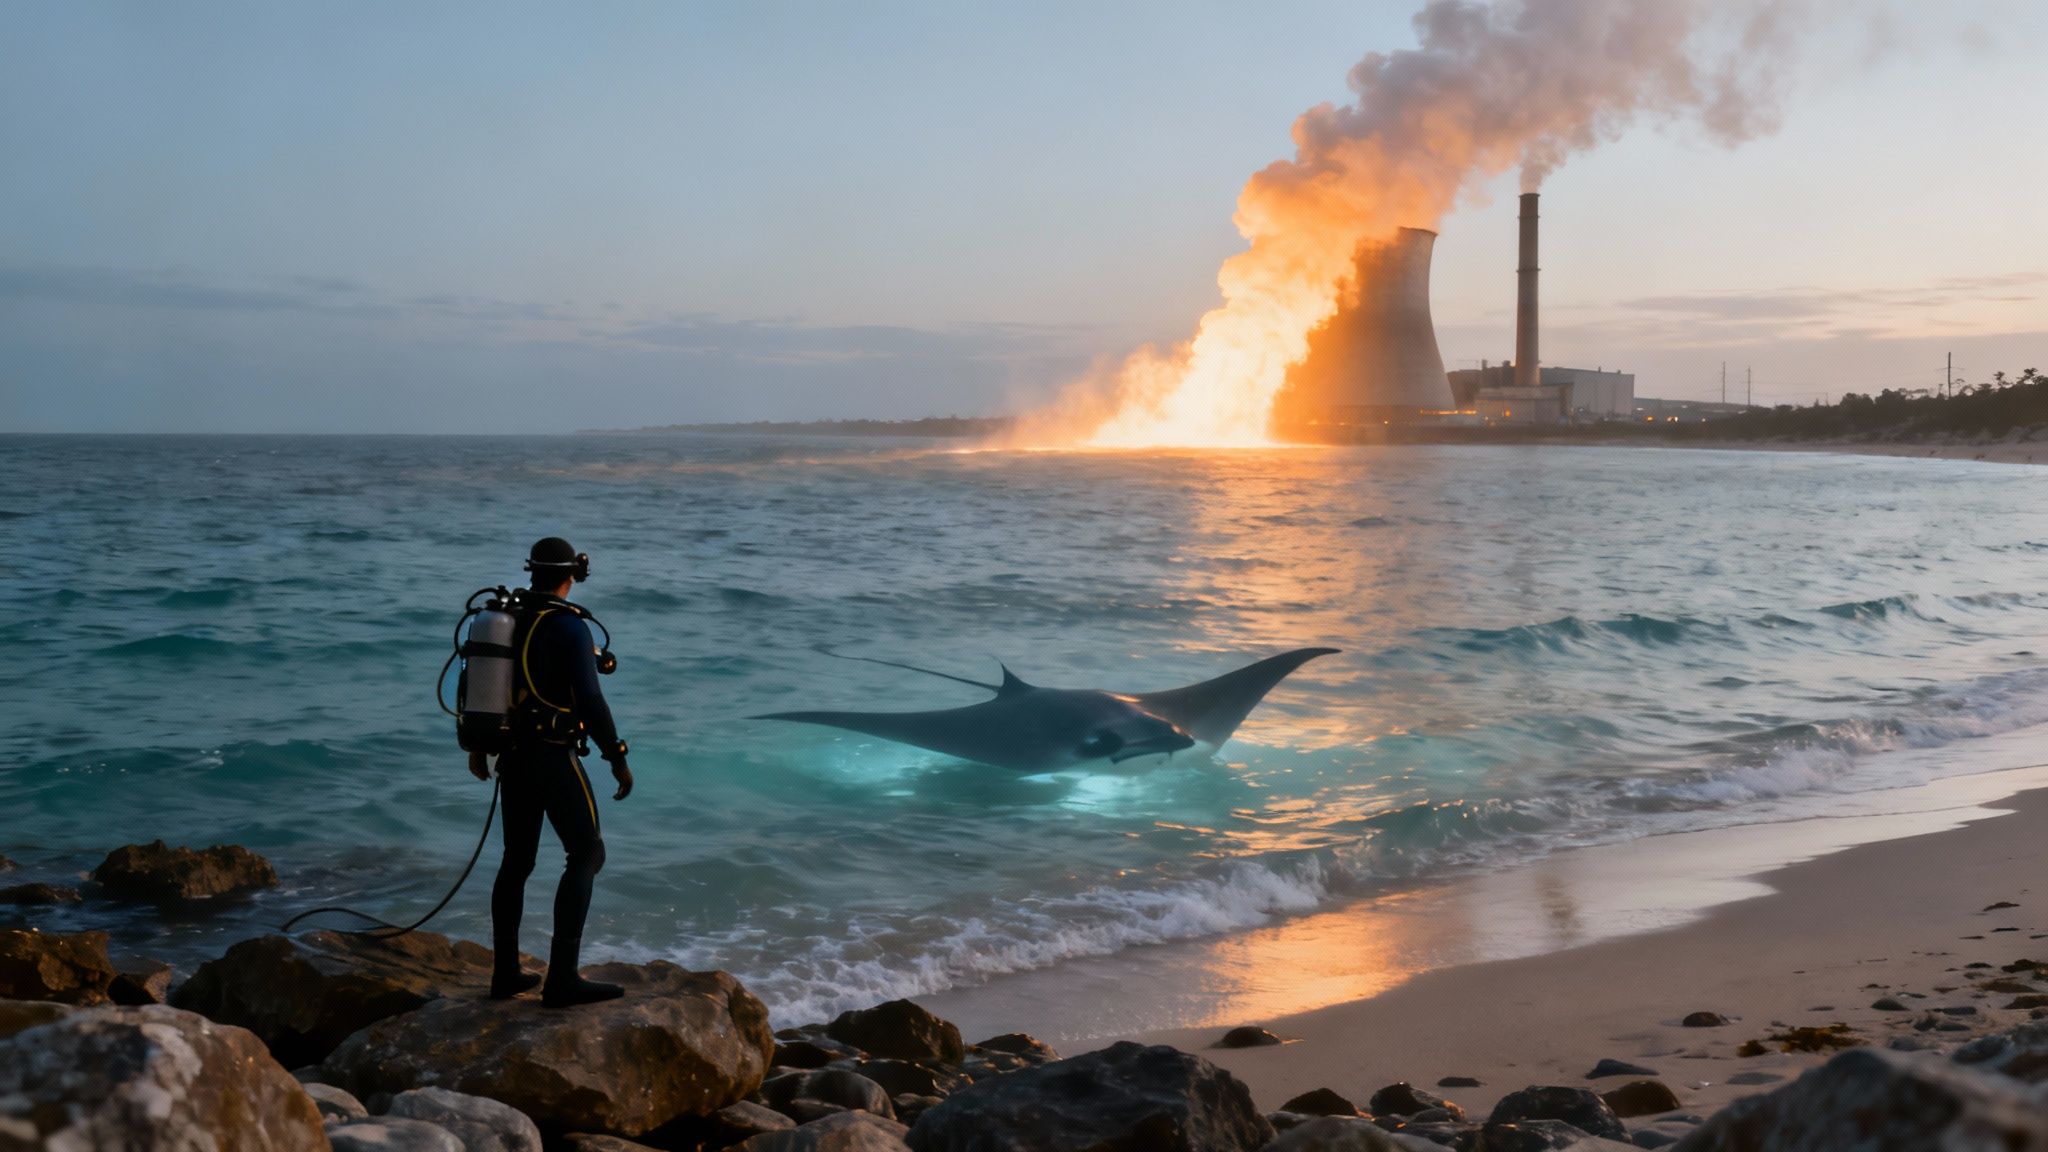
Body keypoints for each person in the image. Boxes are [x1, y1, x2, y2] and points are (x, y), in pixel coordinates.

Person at [470, 536, 635, 1007]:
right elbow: (591, 700)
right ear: (572, 575)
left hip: (513, 757)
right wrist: (617, 756)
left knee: (517, 862)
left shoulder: (506, 619)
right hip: (552, 755)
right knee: (586, 854)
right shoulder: (569, 627)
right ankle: (562, 979)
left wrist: (478, 747)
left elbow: (478, 685)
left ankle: (505, 974)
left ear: (532, 572)